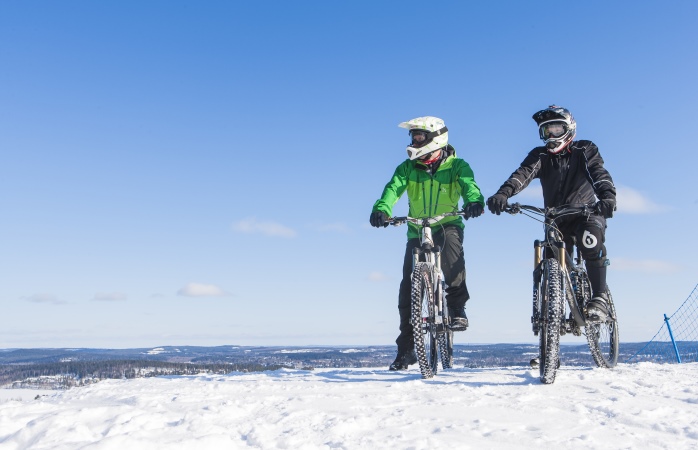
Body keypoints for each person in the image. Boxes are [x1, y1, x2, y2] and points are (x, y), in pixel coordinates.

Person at [370, 116, 485, 371]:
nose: (414, 141)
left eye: (419, 136)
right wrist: (382, 209)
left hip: (447, 224)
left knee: (453, 260)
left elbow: (470, 187)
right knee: (408, 287)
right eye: (413, 137)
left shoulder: (458, 166)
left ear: (435, 138)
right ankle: (407, 349)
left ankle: (456, 309)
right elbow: (392, 190)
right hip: (416, 229)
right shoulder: (407, 168)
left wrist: (475, 202)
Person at [486, 105, 616, 322]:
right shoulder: (540, 156)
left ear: (569, 129)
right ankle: (550, 326)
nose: (552, 135)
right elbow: (522, 175)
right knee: (551, 258)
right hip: (555, 219)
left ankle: (599, 297)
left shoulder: (585, 150)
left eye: (557, 129)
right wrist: (503, 194)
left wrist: (607, 197)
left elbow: (599, 174)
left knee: (591, 242)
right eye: (547, 131)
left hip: (586, 213)